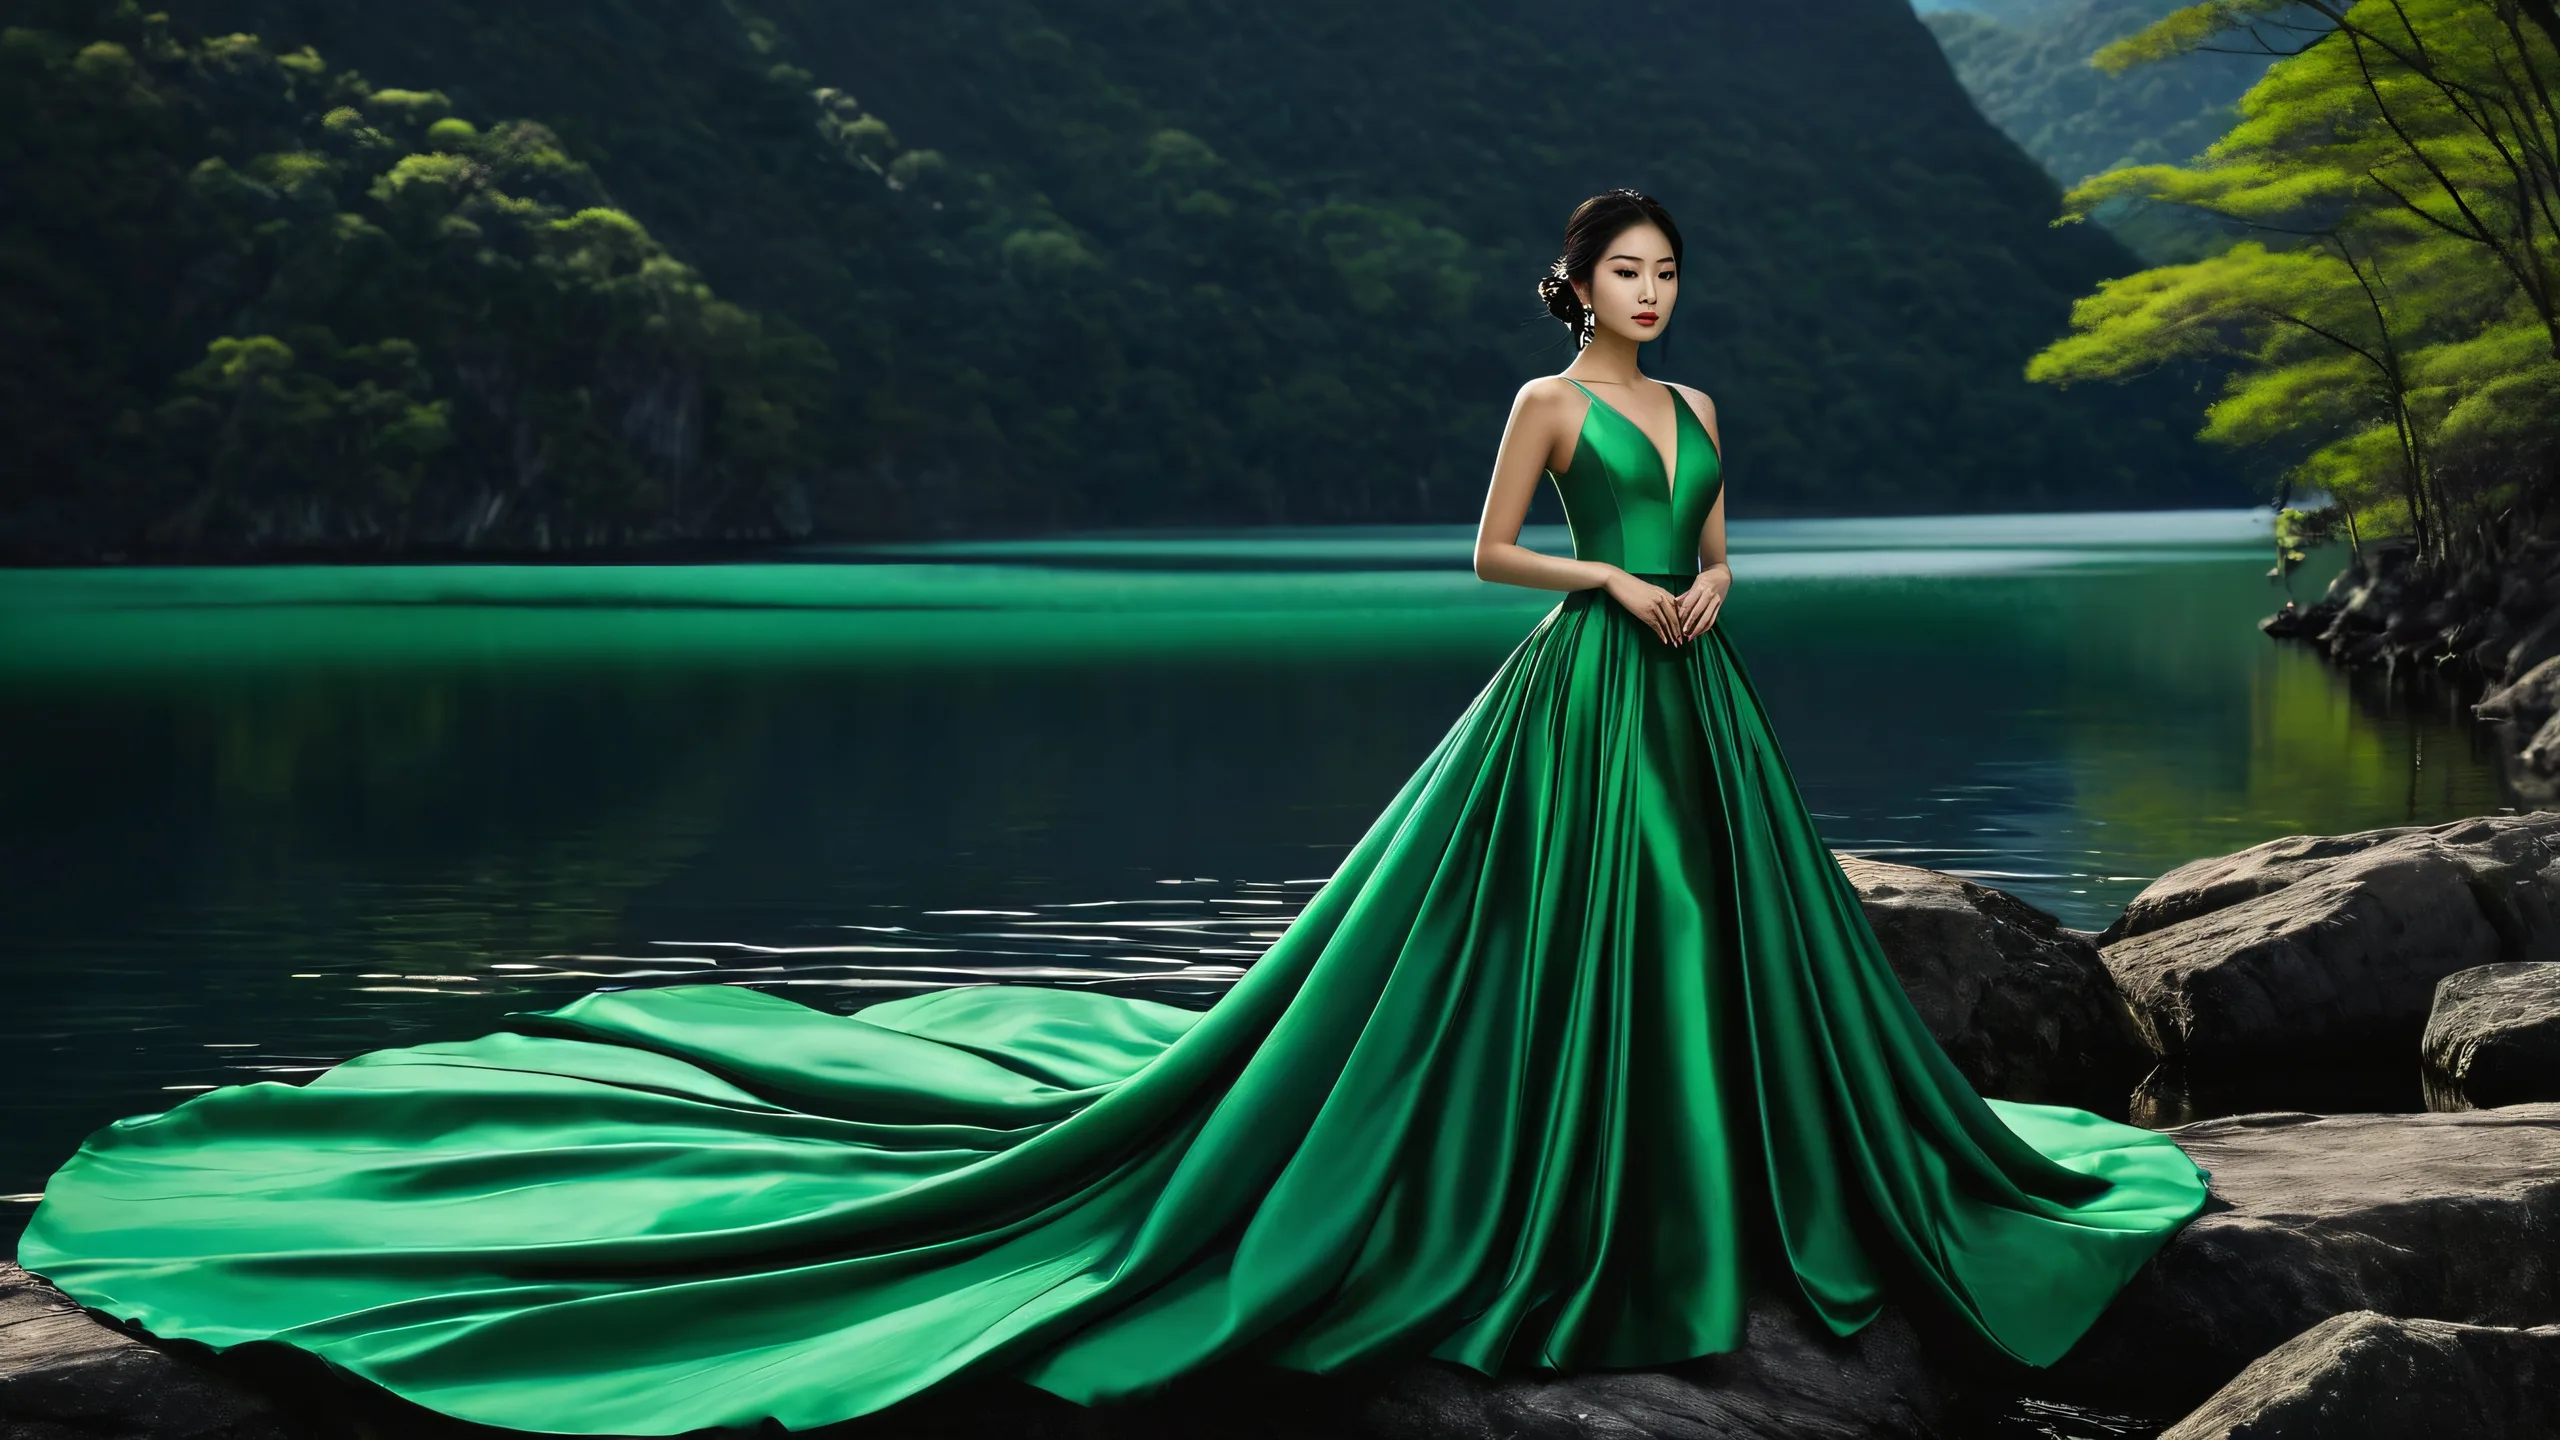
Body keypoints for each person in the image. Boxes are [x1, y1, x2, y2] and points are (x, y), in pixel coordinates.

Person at [13, 188, 2210, 1436]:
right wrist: (1613, 577)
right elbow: (1480, 563)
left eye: (1663, 271)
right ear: (1573, 289)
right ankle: (1585, 1202)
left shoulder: (1705, 403)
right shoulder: (1543, 403)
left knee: (1727, 950)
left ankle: (1724, 1182)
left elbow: (1726, 527)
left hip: (1694, 694)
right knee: (1571, 942)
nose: (1653, 295)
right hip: (1577, 690)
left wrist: (1707, 579)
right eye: (1626, 271)